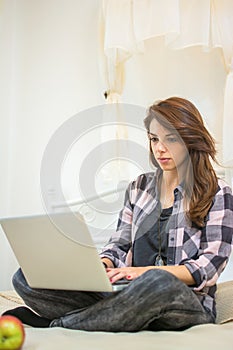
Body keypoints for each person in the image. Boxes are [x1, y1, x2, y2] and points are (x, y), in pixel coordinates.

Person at [3, 97, 233, 332]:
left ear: (190, 138)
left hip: (180, 299)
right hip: (128, 293)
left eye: (171, 139)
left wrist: (141, 273)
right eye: (154, 139)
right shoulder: (138, 187)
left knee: (157, 281)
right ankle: (112, 315)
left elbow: (208, 267)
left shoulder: (217, 192)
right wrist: (101, 265)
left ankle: (57, 324)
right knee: (26, 277)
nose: (160, 148)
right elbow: (119, 245)